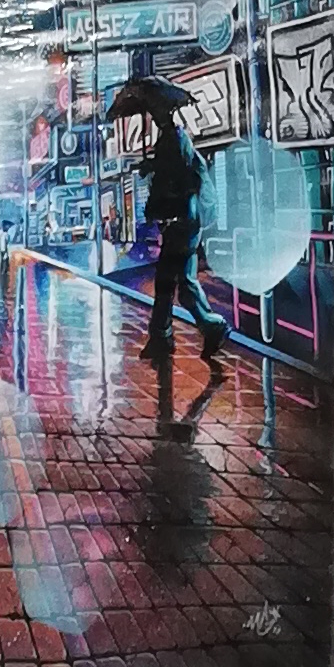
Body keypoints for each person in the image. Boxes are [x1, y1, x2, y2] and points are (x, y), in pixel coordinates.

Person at [132, 68, 224, 426]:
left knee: (175, 283)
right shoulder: (169, 138)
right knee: (175, 283)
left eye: (156, 109)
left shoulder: (176, 137)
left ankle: (196, 329)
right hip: (181, 220)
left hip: (184, 221)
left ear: (165, 110)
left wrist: (158, 174)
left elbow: (181, 178)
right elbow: (171, 171)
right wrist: (152, 165)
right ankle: (168, 335)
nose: (153, 114)